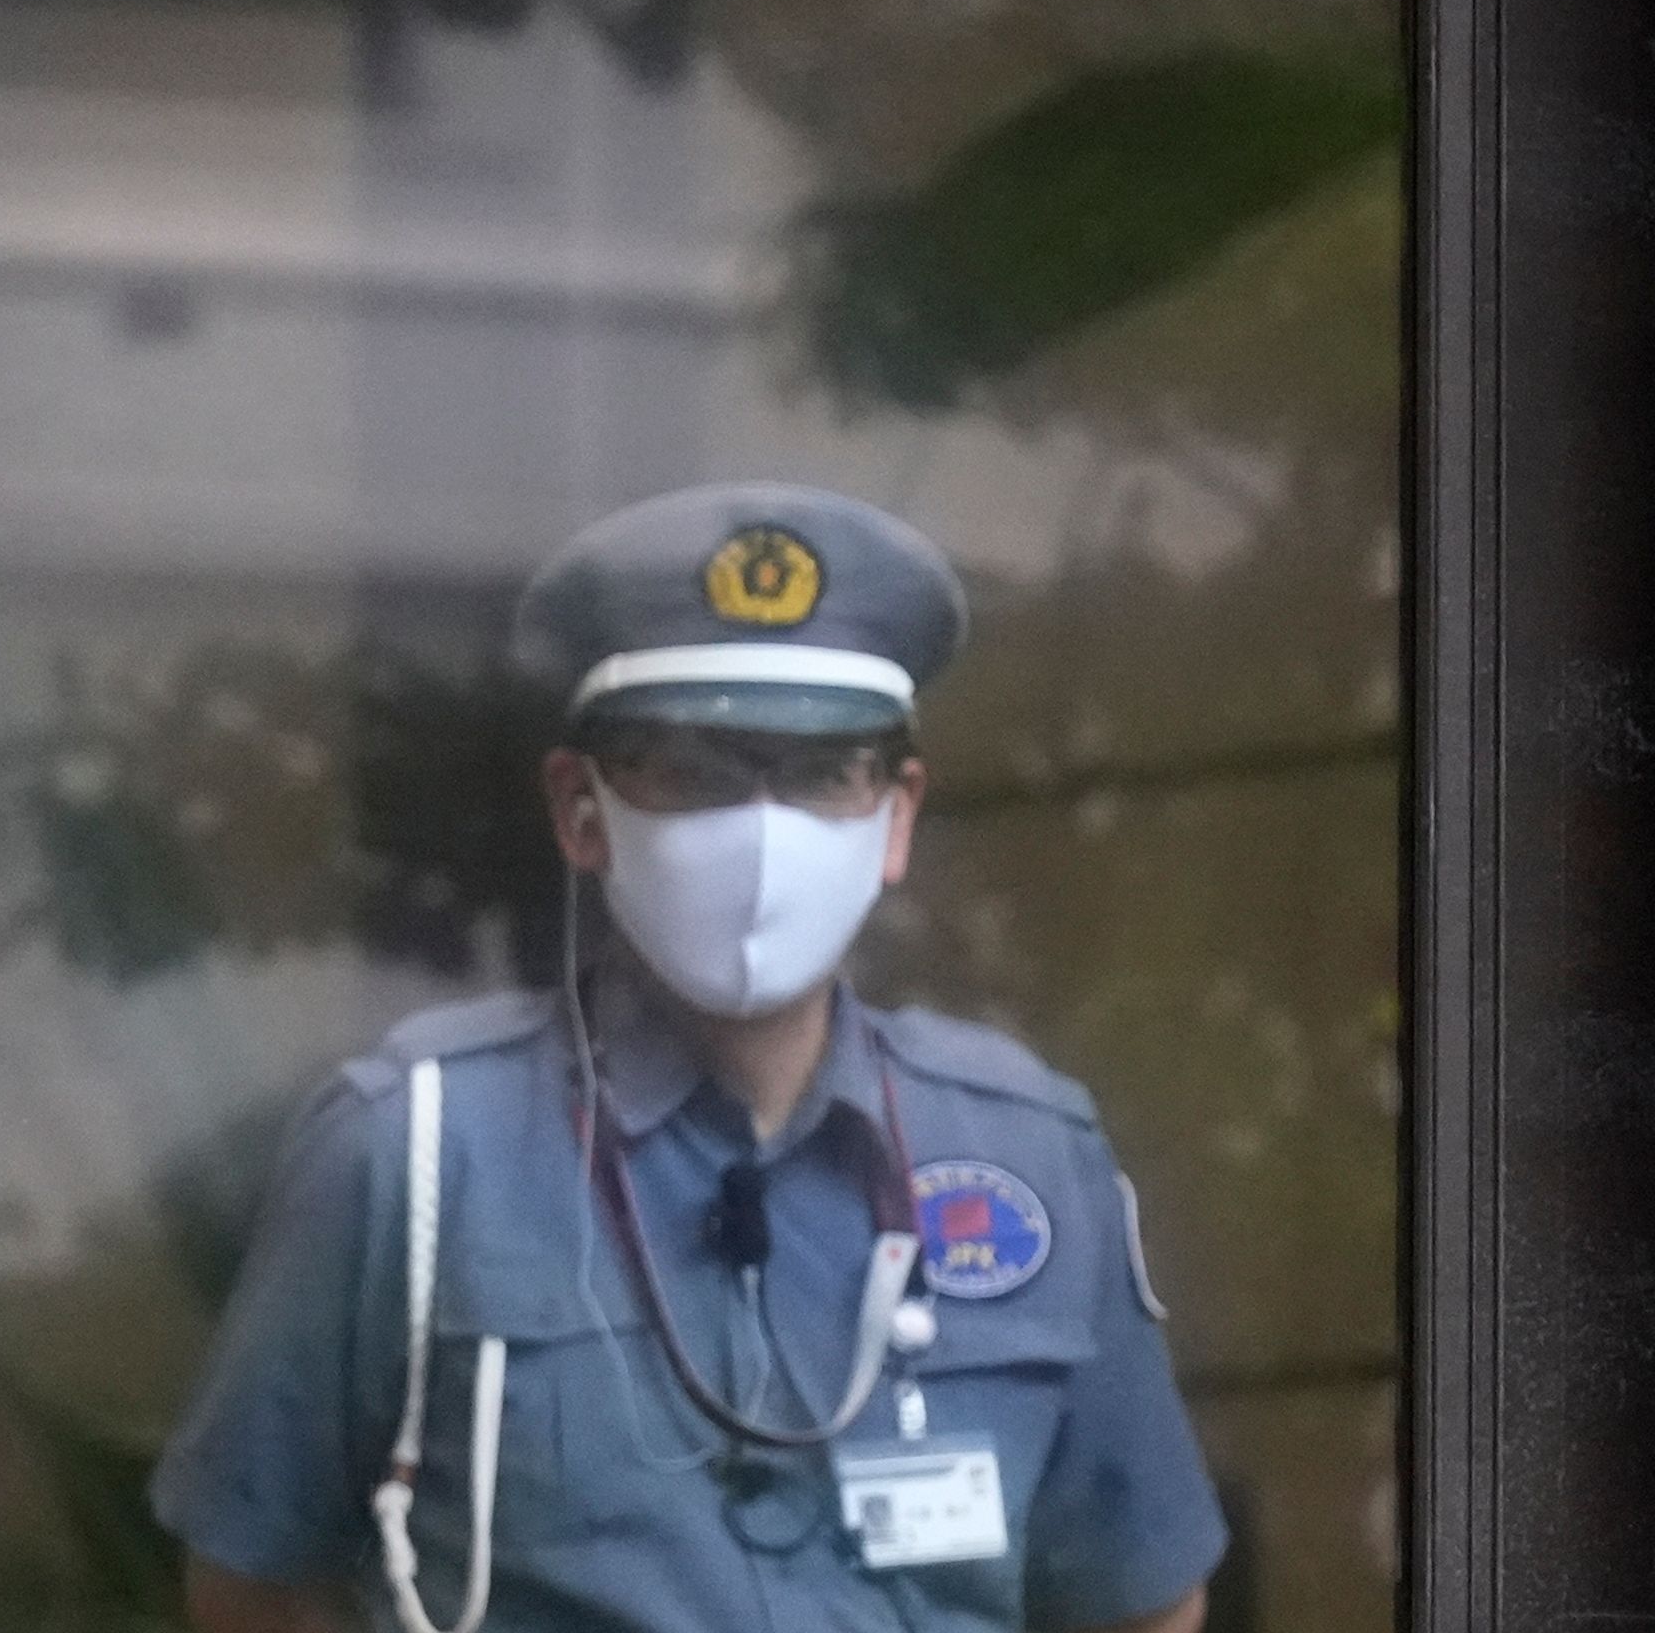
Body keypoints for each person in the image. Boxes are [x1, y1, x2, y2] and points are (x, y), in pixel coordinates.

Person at [152, 484, 1228, 1633]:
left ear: (896, 815)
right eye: (696, 767)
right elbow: (252, 1584)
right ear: (580, 806)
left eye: (824, 773)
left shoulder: (1027, 1151)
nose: (763, 831)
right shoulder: (415, 1151)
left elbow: (1142, 1596)